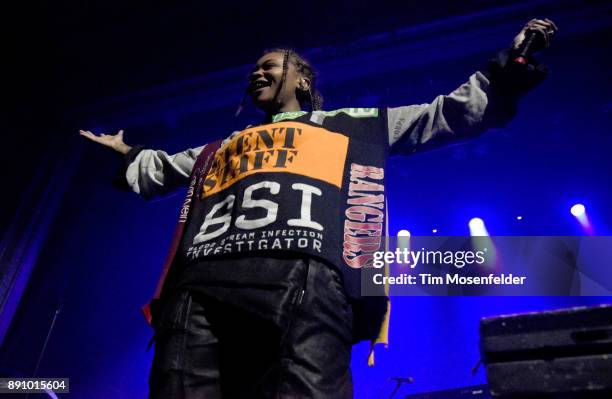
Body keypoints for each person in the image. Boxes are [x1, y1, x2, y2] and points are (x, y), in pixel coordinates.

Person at [80, 18, 557, 399]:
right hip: (201, 285)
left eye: (270, 66)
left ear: (303, 81)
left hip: (302, 280)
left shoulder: (349, 126)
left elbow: (445, 114)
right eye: (253, 70)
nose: (256, 73)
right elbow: (161, 169)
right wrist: (124, 153)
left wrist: (511, 66)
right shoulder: (220, 147)